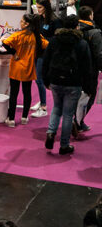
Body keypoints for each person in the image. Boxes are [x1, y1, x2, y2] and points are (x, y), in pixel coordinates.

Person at [43, 15, 93, 155]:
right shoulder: (81, 43)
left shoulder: (54, 41)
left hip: (55, 80)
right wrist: (88, 87)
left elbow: (46, 60)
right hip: (73, 82)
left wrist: (46, 80)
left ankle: (51, 133)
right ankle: (64, 144)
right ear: (77, 26)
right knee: (67, 114)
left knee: (56, 108)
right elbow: (87, 67)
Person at [0, 14, 48, 127]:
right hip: (29, 68)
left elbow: (5, 43)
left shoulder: (18, 35)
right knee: (27, 93)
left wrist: (13, 53)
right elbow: (47, 45)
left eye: (22, 21)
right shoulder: (37, 37)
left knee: (14, 94)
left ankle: (11, 119)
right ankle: (24, 117)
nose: (20, 22)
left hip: (16, 68)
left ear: (26, 24)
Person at [31, 0, 62, 118]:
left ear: (46, 7)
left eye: (40, 7)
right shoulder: (39, 19)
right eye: (37, 7)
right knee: (37, 79)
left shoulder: (55, 21)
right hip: (37, 51)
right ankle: (41, 100)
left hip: (46, 54)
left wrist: (44, 41)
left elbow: (57, 39)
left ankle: (43, 107)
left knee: (40, 80)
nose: (37, 10)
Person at [78, 6, 102, 132]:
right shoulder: (95, 32)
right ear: (90, 15)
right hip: (89, 70)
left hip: (73, 68)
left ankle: (76, 121)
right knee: (89, 96)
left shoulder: (74, 29)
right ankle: (78, 122)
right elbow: (99, 54)